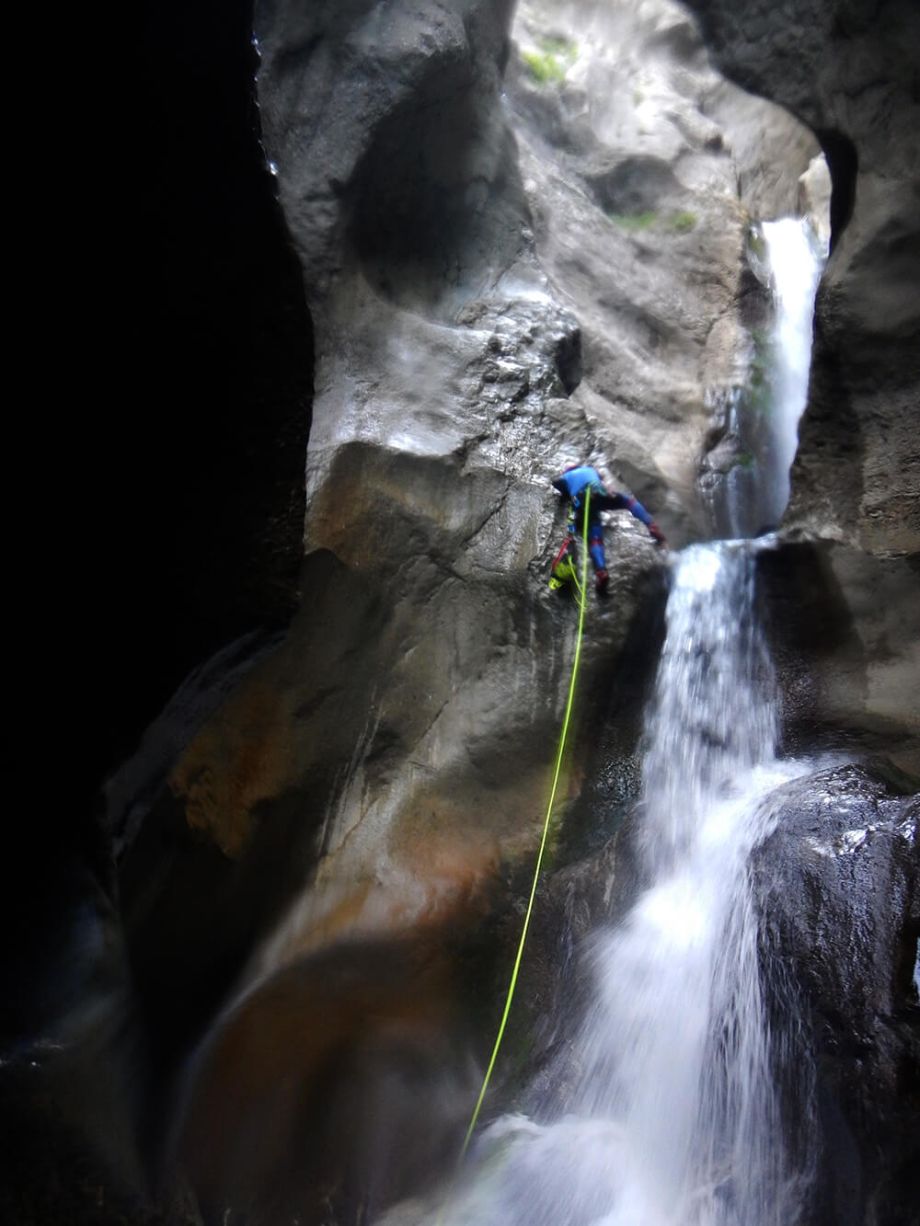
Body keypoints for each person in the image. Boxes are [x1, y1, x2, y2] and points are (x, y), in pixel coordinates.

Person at [550, 462, 666, 593]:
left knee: (594, 534)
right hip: (597, 490)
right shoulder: (590, 469)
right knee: (627, 501)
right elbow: (602, 477)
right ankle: (650, 524)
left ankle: (601, 570)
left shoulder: (567, 476)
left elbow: (556, 485)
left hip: (582, 500)